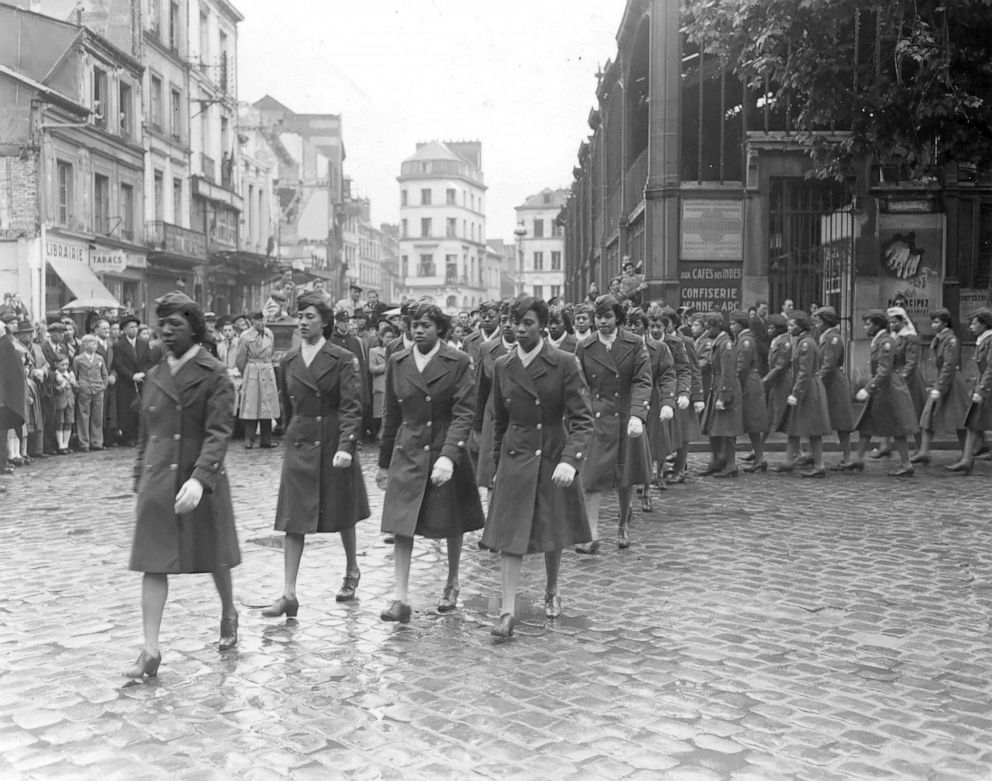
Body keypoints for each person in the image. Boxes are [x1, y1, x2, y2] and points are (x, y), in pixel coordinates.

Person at [125, 291, 240, 679]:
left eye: (177, 324)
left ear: (195, 328)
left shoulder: (214, 373)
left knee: (214, 555)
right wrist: (140, 474)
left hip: (198, 480)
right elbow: (146, 431)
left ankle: (228, 611)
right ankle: (151, 649)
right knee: (152, 562)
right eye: (163, 325)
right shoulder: (156, 375)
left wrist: (200, 478)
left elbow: (219, 432)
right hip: (159, 481)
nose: (168, 332)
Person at [481, 296, 594, 637]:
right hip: (515, 457)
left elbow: (583, 419)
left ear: (542, 325)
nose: (519, 329)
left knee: (551, 528)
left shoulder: (564, 362)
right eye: (514, 322)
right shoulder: (503, 365)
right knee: (509, 535)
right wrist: (496, 464)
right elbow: (500, 421)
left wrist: (570, 461)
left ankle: (553, 587)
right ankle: (507, 610)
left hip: (551, 456)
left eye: (527, 322)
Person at [262, 292, 370, 618]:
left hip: (332, 443)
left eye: (310, 316)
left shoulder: (341, 358)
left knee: (342, 512)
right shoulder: (289, 361)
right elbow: (289, 405)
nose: (303, 322)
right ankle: (289, 594)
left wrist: (346, 446)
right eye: (300, 316)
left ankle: (352, 570)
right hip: (299, 443)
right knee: (293, 519)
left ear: (324, 322)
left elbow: (352, 405)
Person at [375, 303, 483, 623]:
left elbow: (465, 412)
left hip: (444, 450)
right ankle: (400, 597)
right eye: (413, 325)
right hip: (407, 451)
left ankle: (452, 582)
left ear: (440, 328)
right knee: (401, 522)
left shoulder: (458, 361)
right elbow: (391, 414)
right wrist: (383, 462)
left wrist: (450, 455)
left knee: (452, 520)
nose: (418, 330)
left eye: (425, 325)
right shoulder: (398, 361)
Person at [575, 294, 652, 551]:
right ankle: (591, 533)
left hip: (625, 417)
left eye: (607, 317)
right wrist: (581, 413)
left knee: (625, 475)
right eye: (598, 317)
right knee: (592, 476)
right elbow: (579, 384)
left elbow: (642, 379)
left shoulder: (634, 343)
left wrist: (637, 415)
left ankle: (622, 524)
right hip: (596, 418)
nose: (602, 322)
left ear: (617, 318)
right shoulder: (585, 346)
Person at [842, 310, 918, 476]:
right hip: (882, 388)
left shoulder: (886, 342)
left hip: (889, 389)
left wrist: (868, 388)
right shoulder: (879, 341)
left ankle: (906, 464)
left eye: (868, 324)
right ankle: (859, 458)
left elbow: (884, 370)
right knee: (867, 423)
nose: (865, 327)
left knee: (898, 427)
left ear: (877, 325)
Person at [772, 311, 832, 477]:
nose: (789, 328)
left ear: (801, 326)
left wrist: (796, 393)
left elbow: (805, 372)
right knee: (793, 426)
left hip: (808, 389)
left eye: (792, 325)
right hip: (804, 387)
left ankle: (819, 465)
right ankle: (788, 461)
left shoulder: (806, 344)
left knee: (813, 429)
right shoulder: (801, 341)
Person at [912, 308, 970, 463]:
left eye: (936, 322)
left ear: (945, 323)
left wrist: (939, 387)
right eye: (933, 321)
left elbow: (949, 365)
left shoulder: (950, 339)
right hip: (942, 380)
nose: (933, 325)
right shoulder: (939, 338)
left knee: (960, 420)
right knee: (928, 416)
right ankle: (924, 451)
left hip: (951, 382)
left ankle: (967, 454)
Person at [474, 303, 516, 490]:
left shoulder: (528, 349)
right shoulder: (487, 348)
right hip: (493, 419)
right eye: (504, 320)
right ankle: (492, 518)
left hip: (521, 419)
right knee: (492, 475)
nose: (507, 325)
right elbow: (480, 390)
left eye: (512, 320)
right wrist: (477, 426)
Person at [947, 308, 992, 473]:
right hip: (983, 385)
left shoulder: (990, 341)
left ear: (984, 325)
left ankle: (968, 458)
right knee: (974, 422)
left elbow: (990, 369)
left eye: (974, 323)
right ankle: (967, 458)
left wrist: (981, 390)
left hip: (988, 388)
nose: (970, 327)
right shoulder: (983, 340)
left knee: (976, 421)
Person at [699, 312, 744, 477]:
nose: (706, 331)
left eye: (708, 327)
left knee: (727, 429)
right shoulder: (719, 342)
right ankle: (717, 460)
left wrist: (724, 397)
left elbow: (728, 372)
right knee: (714, 427)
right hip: (717, 386)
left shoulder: (726, 345)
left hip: (726, 388)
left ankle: (731, 464)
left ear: (716, 326)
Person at [812, 307, 856, 468]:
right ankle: (814, 455)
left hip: (834, 383)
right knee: (819, 419)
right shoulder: (823, 336)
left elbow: (829, 364)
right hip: (826, 381)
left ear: (825, 321)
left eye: (817, 321)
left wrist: (817, 381)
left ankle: (848, 457)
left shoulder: (833, 338)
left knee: (841, 422)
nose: (815, 324)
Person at [730, 311, 769, 470]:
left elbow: (741, 366)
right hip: (748, 381)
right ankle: (759, 457)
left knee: (751, 422)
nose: (731, 326)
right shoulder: (743, 339)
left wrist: (735, 385)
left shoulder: (745, 341)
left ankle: (759, 458)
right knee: (751, 424)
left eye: (733, 323)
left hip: (748, 383)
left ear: (741, 324)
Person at [236, 312, 280, 448]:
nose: (262, 323)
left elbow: (271, 352)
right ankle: (249, 440)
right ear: (252, 322)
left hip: (267, 370)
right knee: (251, 406)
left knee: (267, 407)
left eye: (263, 320)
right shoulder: (245, 336)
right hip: (252, 370)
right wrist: (248, 372)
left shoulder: (269, 334)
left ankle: (266, 440)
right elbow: (240, 359)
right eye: (258, 320)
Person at [754, 314, 792, 471]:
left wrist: (765, 381)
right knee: (769, 417)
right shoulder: (776, 340)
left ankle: (797, 453)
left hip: (782, 382)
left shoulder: (784, 342)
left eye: (771, 328)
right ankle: (757, 450)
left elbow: (780, 366)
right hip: (775, 382)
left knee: (786, 418)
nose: (768, 330)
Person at [112, 314, 151, 447]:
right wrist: (132, 376)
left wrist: (143, 373)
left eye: (135, 327)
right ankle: (130, 436)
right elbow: (118, 364)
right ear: (124, 329)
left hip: (142, 381)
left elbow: (149, 361)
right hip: (127, 382)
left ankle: (142, 436)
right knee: (128, 409)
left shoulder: (144, 344)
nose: (134, 329)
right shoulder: (118, 346)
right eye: (131, 327)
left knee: (142, 408)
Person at [73, 334, 109, 452]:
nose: (95, 346)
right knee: (83, 416)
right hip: (85, 390)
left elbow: (104, 374)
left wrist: (103, 385)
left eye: (96, 343)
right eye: (92, 343)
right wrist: (79, 387)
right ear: (85, 345)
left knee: (97, 417)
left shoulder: (99, 358)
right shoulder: (78, 359)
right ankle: (84, 443)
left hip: (98, 390)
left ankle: (97, 441)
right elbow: (75, 374)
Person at [51, 355, 76, 455]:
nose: (64, 367)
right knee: (59, 422)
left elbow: (76, 387)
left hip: (70, 401)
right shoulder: (54, 375)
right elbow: (55, 389)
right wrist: (62, 386)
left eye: (66, 364)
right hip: (60, 401)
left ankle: (66, 444)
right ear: (56, 364)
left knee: (69, 422)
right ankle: (60, 444)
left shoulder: (70, 374)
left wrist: (74, 383)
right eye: (62, 365)